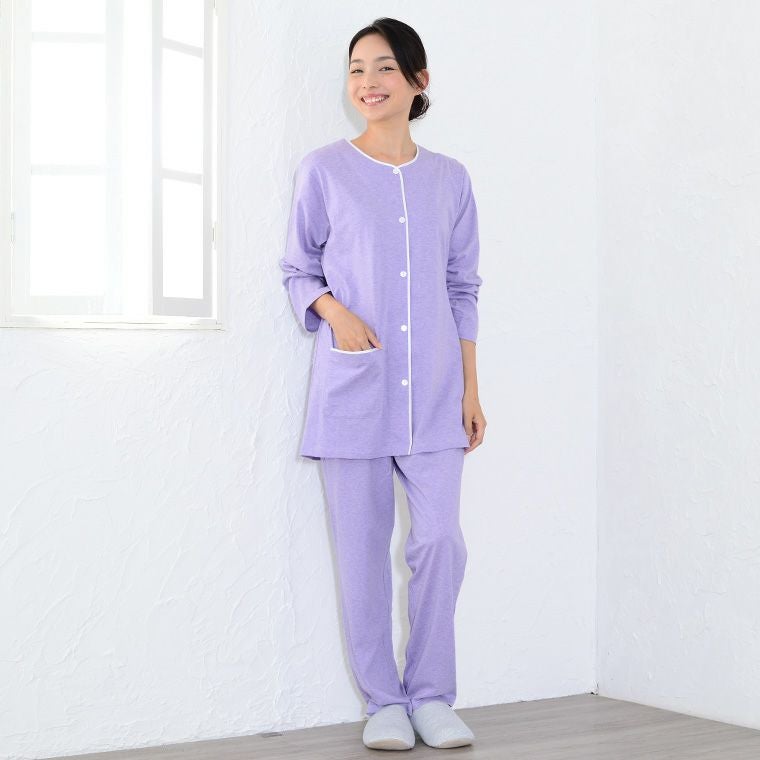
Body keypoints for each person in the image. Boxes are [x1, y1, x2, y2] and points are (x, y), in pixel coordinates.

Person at [279, 17, 486, 751]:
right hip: (354, 393)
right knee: (362, 553)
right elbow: (298, 268)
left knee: (440, 543)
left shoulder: (450, 180)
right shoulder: (324, 171)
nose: (368, 82)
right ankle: (383, 704)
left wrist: (469, 389)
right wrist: (335, 313)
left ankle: (431, 695)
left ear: (419, 82)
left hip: (434, 393)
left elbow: (462, 288)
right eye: (357, 69)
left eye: (385, 68)